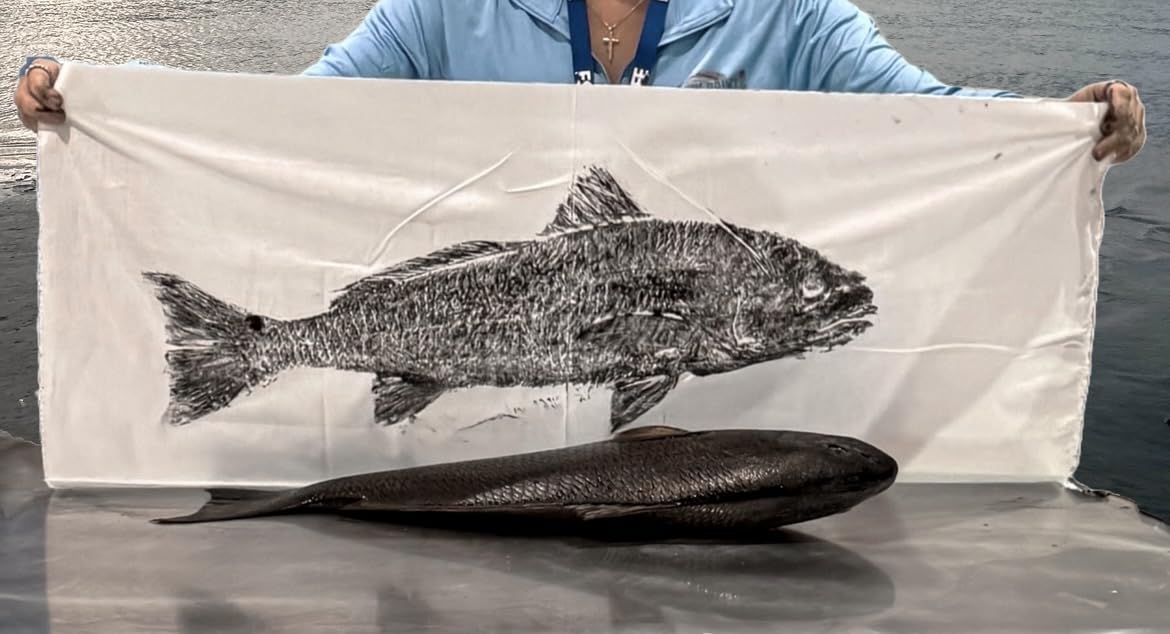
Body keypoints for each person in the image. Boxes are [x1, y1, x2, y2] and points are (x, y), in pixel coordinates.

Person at [14, 0, 1145, 163]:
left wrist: (1062, 125)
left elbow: (929, 119)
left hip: (714, 411)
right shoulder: (437, 9)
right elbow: (296, 114)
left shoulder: (793, 11)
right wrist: (102, 89)